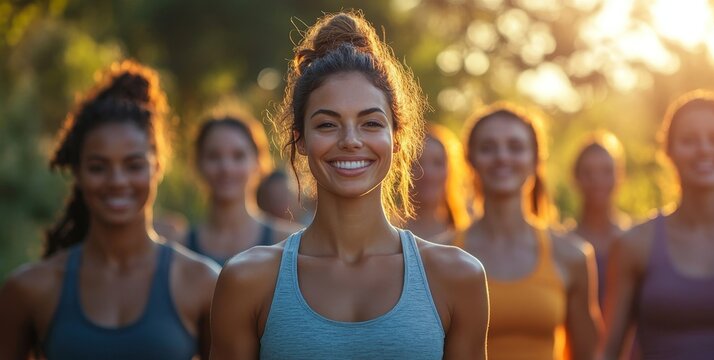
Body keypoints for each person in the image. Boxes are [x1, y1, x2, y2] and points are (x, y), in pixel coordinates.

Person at [210, 11, 489, 359]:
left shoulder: (457, 277)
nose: (351, 140)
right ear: (300, 140)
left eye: (371, 123)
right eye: (327, 125)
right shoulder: (247, 280)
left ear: (397, 138)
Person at [0, 60, 218, 359]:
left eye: (133, 165)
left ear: (158, 167)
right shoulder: (30, 289)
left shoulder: (203, 283)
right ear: (77, 171)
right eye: (98, 167)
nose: (117, 182)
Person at [455, 102, 602, 359]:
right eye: (488, 148)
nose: (502, 157)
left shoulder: (572, 255)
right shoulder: (439, 256)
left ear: (535, 159)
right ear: (470, 159)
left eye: (516, 147)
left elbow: (587, 355)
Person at [603, 90, 714, 360]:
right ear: (668, 151)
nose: (704, 149)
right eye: (689, 140)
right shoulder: (635, 243)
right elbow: (609, 352)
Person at [180, 114, 298, 265]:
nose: (226, 168)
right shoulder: (180, 247)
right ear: (198, 163)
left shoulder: (289, 243)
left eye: (238, 156)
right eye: (214, 156)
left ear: (257, 162)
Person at [570, 131, 629, 309]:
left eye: (606, 171)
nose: (597, 180)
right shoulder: (562, 243)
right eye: (588, 172)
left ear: (620, 175)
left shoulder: (636, 239)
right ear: (575, 178)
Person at [406, 123, 471, 244]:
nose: (427, 174)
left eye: (437, 163)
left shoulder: (468, 235)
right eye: (417, 164)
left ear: (450, 170)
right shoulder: (389, 232)